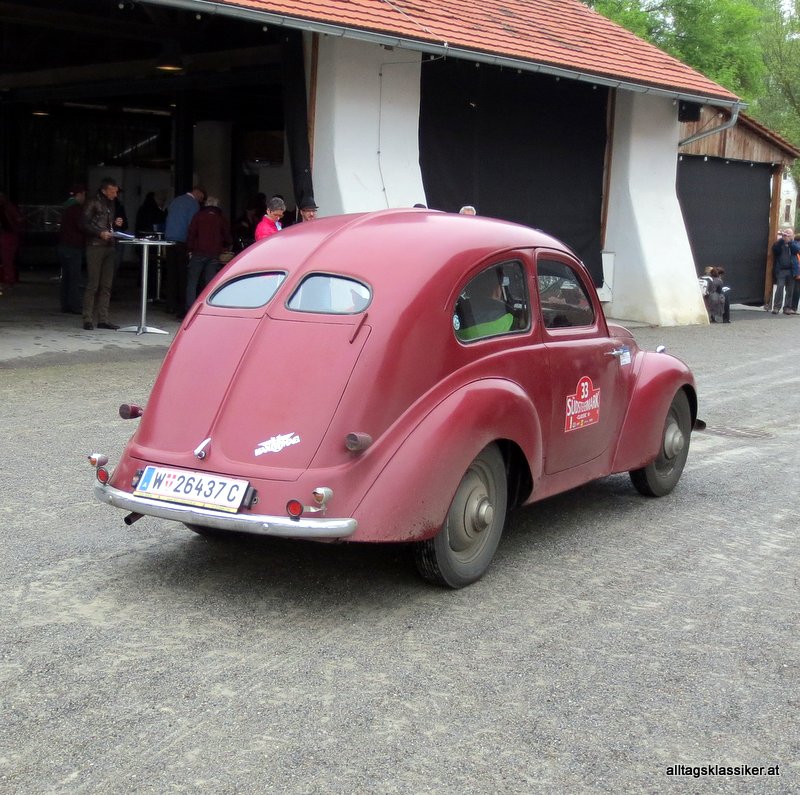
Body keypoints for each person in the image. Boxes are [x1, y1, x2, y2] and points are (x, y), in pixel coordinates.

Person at [81, 177, 123, 330]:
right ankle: (87, 318)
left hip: (109, 245)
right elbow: (83, 223)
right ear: (104, 190)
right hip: (95, 245)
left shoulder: (111, 203)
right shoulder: (93, 201)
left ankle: (103, 319)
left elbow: (105, 222)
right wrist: (99, 233)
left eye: (116, 192)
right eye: (112, 192)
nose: (115, 195)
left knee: (106, 285)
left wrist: (115, 224)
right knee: (93, 283)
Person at [185, 196, 232, 313]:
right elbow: (227, 236)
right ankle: (207, 309)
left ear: (206, 204)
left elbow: (191, 233)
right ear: (216, 205)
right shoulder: (220, 218)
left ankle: (190, 309)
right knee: (210, 283)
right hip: (214, 254)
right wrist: (226, 246)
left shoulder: (198, 216)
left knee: (192, 281)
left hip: (198, 252)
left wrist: (189, 249)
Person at [164, 185, 206, 316]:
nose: (201, 201)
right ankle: (182, 306)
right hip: (182, 241)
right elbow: (192, 226)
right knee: (183, 275)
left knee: (171, 274)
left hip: (169, 240)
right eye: (201, 198)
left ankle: (170, 305)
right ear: (198, 193)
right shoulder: (193, 204)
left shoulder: (175, 200)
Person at [57, 184, 87, 314]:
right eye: (84, 195)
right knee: (75, 277)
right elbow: (82, 226)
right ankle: (74, 305)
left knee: (66, 277)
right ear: (79, 194)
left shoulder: (65, 207)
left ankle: (65, 304)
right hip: (73, 246)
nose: (85, 198)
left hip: (63, 245)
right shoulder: (76, 209)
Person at [769, 227, 800, 315]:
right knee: (779, 288)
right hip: (781, 270)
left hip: (791, 270)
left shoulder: (794, 244)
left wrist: (789, 242)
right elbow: (775, 250)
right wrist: (782, 240)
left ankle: (787, 308)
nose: (786, 235)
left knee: (790, 290)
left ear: (792, 235)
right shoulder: (779, 243)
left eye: (789, 234)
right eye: (785, 233)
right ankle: (776, 307)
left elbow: (797, 250)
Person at [0, 192, 23, 295]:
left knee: (7, 259)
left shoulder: (7, 208)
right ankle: (8, 280)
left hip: (8, 235)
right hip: (8, 234)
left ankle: (9, 281)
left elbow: (18, 220)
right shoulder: (7, 208)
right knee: (7, 259)